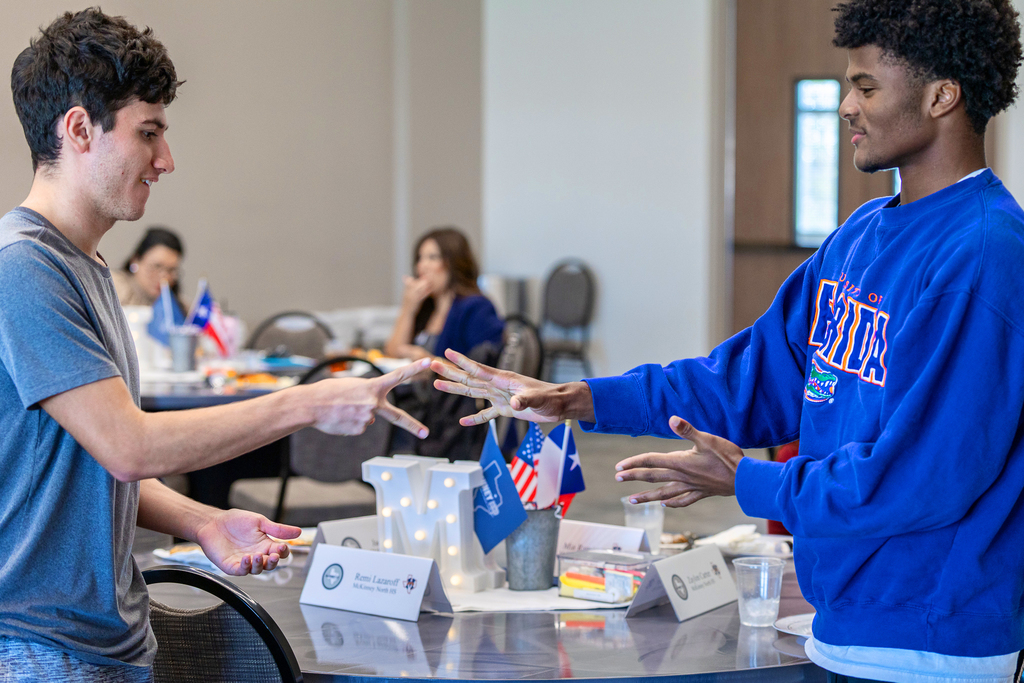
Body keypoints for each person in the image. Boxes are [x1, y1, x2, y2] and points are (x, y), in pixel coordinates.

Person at [432, 1, 1024, 680]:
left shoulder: (984, 256)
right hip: (844, 625)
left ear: (942, 95)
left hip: (932, 643)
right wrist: (582, 399)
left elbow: (922, 478)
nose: (845, 107)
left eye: (865, 87)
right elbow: (746, 378)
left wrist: (749, 480)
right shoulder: (861, 235)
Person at [0, 9, 430, 680]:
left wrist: (201, 520)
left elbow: (88, 470)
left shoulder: (85, 265)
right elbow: (130, 446)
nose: (166, 161)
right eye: (148, 134)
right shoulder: (24, 268)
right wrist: (305, 404)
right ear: (79, 128)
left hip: (98, 641)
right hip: (42, 649)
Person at [384, 226, 504, 361]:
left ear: (453, 262)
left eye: (432, 257)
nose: (422, 266)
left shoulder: (476, 307)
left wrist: (432, 366)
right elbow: (393, 354)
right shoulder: (425, 307)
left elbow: (484, 371)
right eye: (419, 258)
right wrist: (408, 309)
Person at [112, 226, 184, 307]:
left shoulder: (177, 305)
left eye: (171, 270)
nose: (164, 278)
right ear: (135, 261)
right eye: (157, 266)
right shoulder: (113, 287)